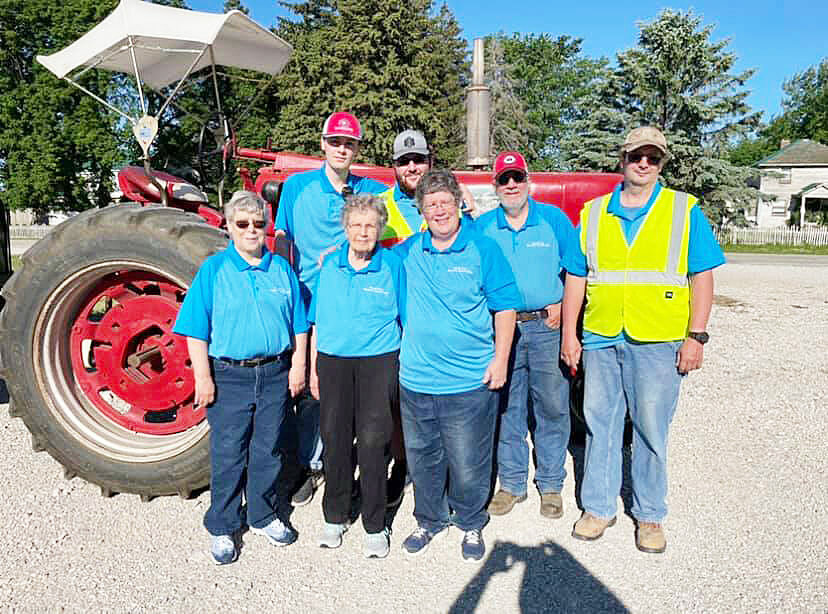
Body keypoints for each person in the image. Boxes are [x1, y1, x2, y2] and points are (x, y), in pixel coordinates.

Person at [560, 126, 725, 554]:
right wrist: (569, 334)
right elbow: (577, 278)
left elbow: (702, 276)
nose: (644, 163)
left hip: (659, 338)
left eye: (653, 157)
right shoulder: (594, 213)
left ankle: (649, 515)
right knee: (600, 425)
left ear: (662, 162)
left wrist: (697, 337)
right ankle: (598, 508)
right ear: (624, 158)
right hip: (601, 336)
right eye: (637, 155)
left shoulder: (683, 210)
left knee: (652, 429)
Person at [173, 190, 309, 565]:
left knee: (268, 450)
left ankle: (262, 515)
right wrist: (204, 377)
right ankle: (223, 524)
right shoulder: (214, 271)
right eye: (243, 224)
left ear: (267, 226)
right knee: (229, 452)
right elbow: (196, 329)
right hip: (230, 376)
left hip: (275, 372)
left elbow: (299, 324)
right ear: (229, 227)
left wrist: (297, 366)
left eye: (258, 223)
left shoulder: (281, 270)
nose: (252, 230)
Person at [395, 168, 520, 562]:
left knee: (469, 461)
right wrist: (335, 253)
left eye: (445, 202)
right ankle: (429, 519)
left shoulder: (483, 249)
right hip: (416, 380)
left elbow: (505, 308)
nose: (438, 210)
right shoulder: (408, 253)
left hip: (468, 382)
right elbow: (364, 255)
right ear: (422, 211)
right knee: (423, 458)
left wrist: (500, 359)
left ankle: (470, 521)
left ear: (458, 205)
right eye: (430, 204)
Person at [274, 112, 387, 507]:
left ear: (357, 149)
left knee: (355, 391)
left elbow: (403, 224)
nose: (342, 148)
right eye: (335, 141)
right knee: (307, 390)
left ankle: (349, 467)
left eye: (349, 143)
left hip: (356, 304)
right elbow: (283, 243)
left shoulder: (371, 189)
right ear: (323, 143)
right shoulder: (297, 187)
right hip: (309, 301)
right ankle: (306, 465)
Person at [476, 151, 576, 520]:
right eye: (505, 179)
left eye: (517, 176)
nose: (512, 184)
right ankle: (512, 483)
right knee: (507, 407)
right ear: (496, 185)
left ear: (528, 180)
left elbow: (577, 269)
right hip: (502, 330)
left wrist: (565, 307)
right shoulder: (483, 227)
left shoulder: (553, 220)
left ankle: (550, 484)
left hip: (547, 327)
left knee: (552, 407)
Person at [308, 193, 405, 559]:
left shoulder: (392, 265)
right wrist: (314, 367)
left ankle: (374, 523)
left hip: (379, 361)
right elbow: (316, 319)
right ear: (345, 229)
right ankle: (335, 516)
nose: (363, 232)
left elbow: (406, 318)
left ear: (379, 229)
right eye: (356, 225)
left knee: (373, 441)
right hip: (333, 362)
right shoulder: (330, 265)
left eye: (370, 225)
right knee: (334, 439)